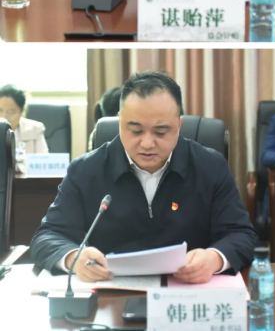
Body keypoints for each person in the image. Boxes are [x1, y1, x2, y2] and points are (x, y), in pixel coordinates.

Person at [30, 71, 258, 280]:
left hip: (187, 291)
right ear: (120, 122)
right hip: (111, 292)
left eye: (161, 131)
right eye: (136, 130)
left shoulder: (210, 166)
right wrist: (74, 258)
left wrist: (214, 258)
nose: (147, 143)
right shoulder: (85, 170)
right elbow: (47, 237)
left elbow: (241, 234)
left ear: (179, 125)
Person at [0, 84, 49, 174]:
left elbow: (44, 163)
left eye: (10, 112)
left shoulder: (35, 129)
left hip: (27, 181)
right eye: (0, 110)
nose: (4, 117)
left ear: (22, 111)